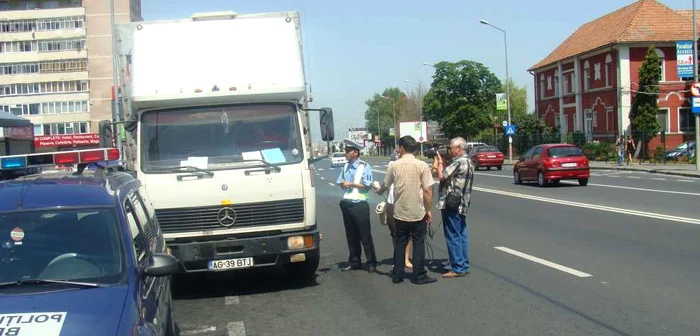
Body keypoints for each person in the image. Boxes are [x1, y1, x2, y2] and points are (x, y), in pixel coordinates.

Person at [378, 135, 435, 285]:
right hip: (417, 211)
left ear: (402, 148)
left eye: (398, 147)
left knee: (400, 242)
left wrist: (379, 190)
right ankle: (419, 275)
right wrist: (428, 210)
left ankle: (397, 274)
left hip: (400, 211)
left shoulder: (393, 165)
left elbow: (386, 184)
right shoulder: (422, 165)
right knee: (418, 242)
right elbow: (428, 190)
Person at [433, 137, 474, 278]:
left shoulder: (458, 161)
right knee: (461, 234)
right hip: (463, 202)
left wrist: (439, 162)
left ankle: (457, 268)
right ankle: (463, 264)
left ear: (459, 148)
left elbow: (441, 176)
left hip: (452, 203)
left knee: (452, 235)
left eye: (451, 148)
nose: (450, 150)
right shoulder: (468, 160)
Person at [336, 138, 378, 273]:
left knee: (364, 235)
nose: (346, 154)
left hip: (360, 205)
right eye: (346, 151)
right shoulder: (345, 166)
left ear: (355, 152)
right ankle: (354, 261)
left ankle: (371, 262)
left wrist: (351, 184)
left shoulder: (364, 166)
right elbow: (341, 182)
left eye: (348, 151)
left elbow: (367, 186)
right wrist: (343, 184)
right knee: (351, 235)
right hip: (347, 204)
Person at [383, 161, 413, 270]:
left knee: (409, 233)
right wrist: (379, 189)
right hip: (392, 203)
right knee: (395, 233)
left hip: (406, 203)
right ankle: (398, 258)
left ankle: (406, 258)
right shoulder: (392, 165)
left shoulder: (412, 166)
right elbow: (385, 185)